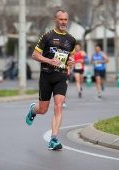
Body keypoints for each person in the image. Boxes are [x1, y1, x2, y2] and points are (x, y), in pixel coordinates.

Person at [25, 10, 76, 150]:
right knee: (43, 109)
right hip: (46, 76)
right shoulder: (47, 36)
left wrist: (72, 62)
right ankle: (32, 110)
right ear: (55, 20)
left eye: (66, 19)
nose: (63, 22)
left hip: (61, 76)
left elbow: (71, 57)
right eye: (61, 19)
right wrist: (49, 60)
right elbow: (35, 55)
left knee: (58, 106)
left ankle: (53, 139)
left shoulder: (71, 39)